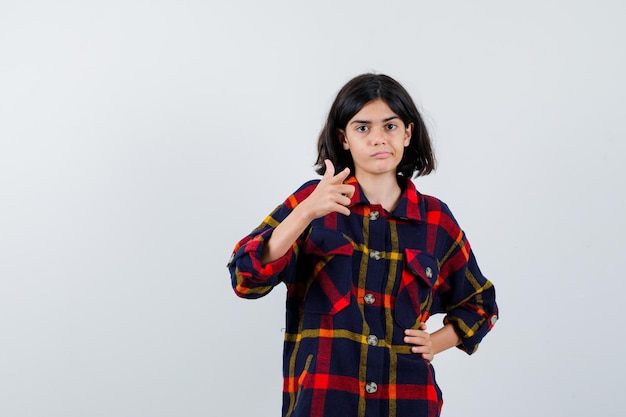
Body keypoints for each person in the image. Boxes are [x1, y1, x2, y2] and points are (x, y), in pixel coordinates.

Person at [227, 73, 498, 417]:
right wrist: (306, 212)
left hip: (408, 402)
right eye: (362, 128)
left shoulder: (436, 219)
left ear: (408, 133)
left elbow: (480, 303)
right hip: (324, 402)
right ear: (343, 138)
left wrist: (436, 341)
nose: (378, 139)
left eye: (390, 126)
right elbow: (246, 278)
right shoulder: (313, 202)